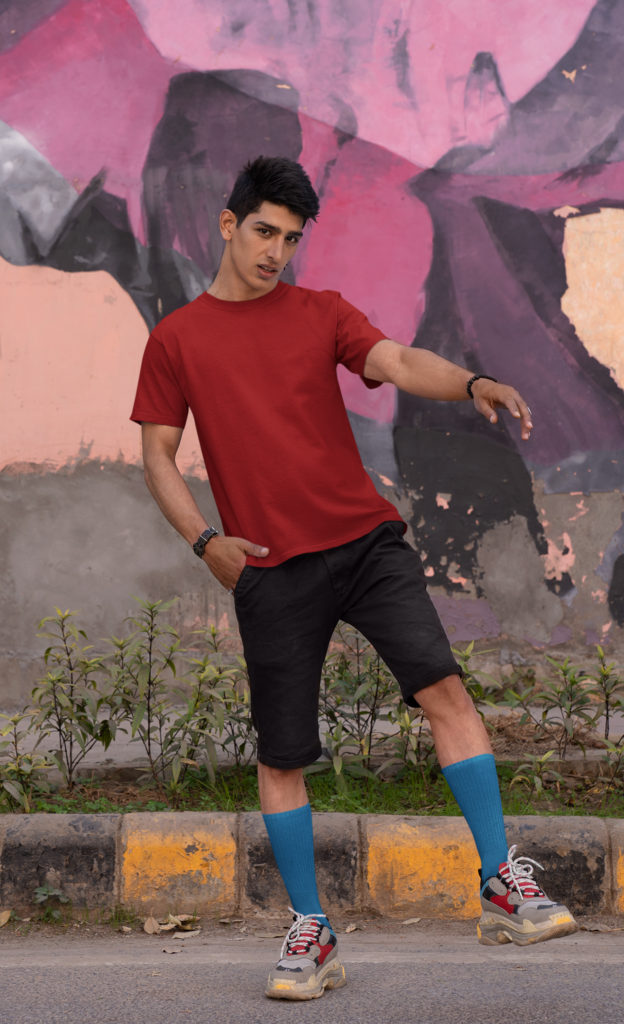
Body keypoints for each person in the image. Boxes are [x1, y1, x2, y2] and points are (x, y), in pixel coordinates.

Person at [131, 155, 577, 1001]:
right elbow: (156, 453)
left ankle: (499, 882)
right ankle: (312, 929)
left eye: (290, 239)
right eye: (263, 231)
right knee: (281, 754)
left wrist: (472, 382)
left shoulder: (320, 312)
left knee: (445, 691)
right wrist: (204, 542)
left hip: (366, 545)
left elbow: (398, 360)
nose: (275, 252)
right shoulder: (177, 338)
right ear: (228, 225)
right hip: (268, 567)